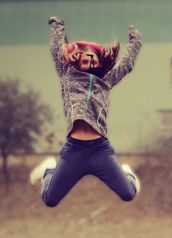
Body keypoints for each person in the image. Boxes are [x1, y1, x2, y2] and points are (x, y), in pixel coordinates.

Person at [30, 16, 142, 207]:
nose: (90, 58)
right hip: (74, 149)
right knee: (49, 199)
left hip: (100, 150)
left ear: (99, 63)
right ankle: (49, 169)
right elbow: (56, 51)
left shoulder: (105, 81)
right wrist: (57, 28)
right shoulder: (67, 75)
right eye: (86, 55)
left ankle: (128, 174)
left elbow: (126, 65)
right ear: (77, 58)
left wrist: (135, 42)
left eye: (94, 57)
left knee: (128, 194)